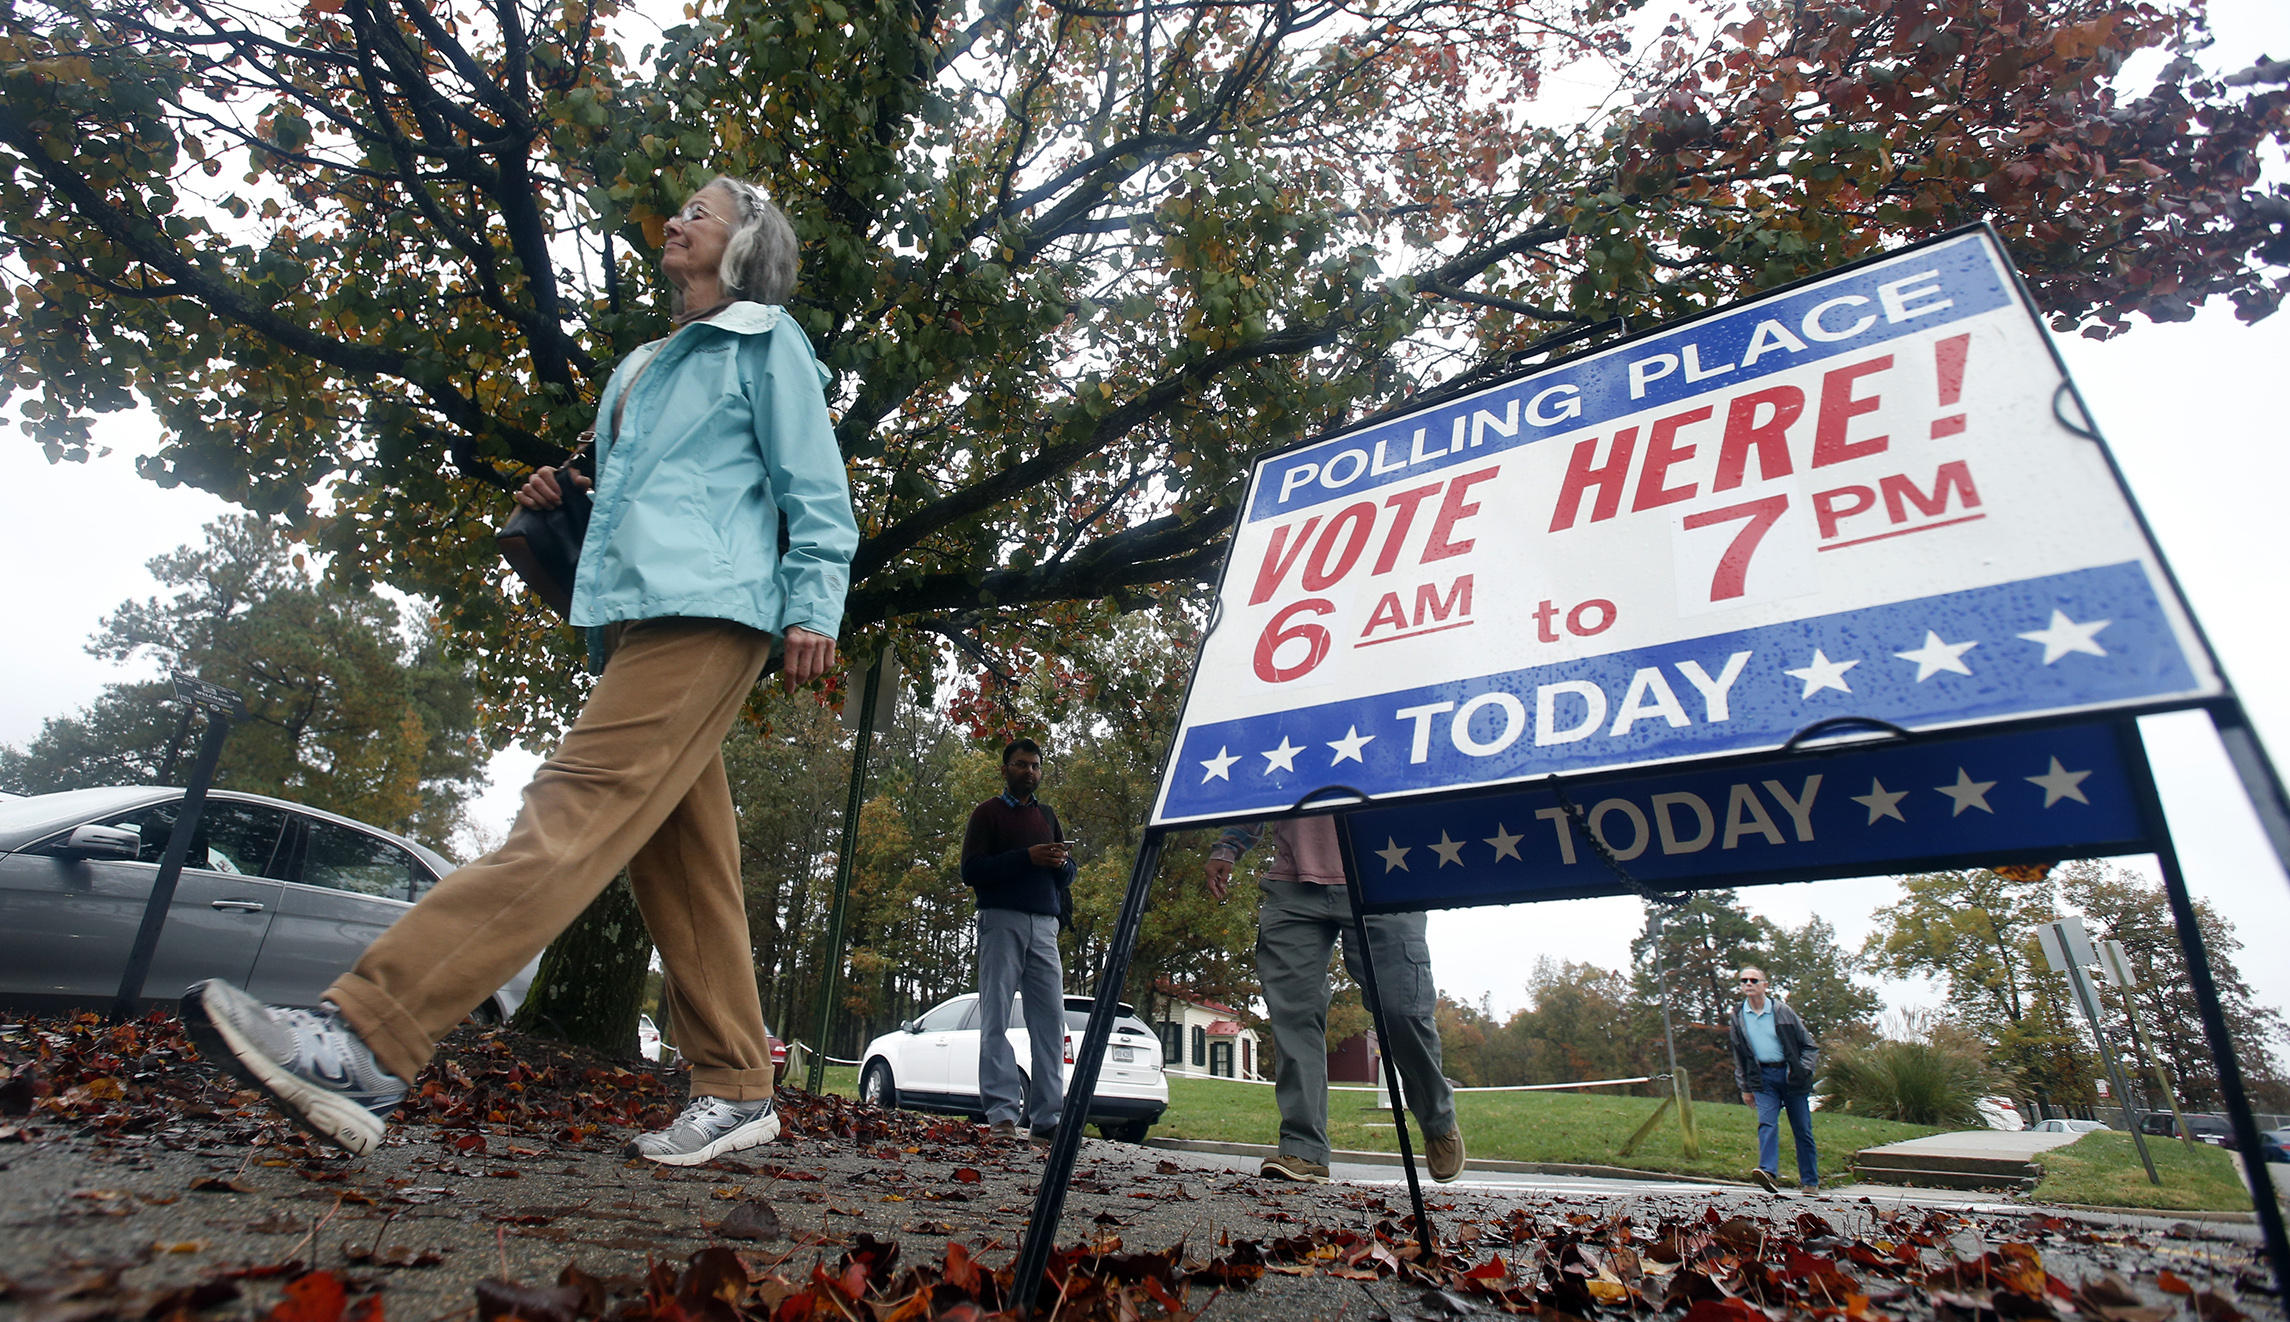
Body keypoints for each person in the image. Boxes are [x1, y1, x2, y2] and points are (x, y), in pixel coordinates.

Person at [182, 175, 860, 1168]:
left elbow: (814, 486)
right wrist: (569, 490)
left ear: (745, 245)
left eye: (700, 213)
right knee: (681, 859)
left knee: (570, 809)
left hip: (711, 614)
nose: (675, 220)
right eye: (675, 210)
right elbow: (646, 496)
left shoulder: (767, 343)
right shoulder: (639, 366)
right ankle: (734, 1083)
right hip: (636, 618)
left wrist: (814, 602)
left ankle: (367, 1036)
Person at [1204, 818, 1465, 1184]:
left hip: (1387, 870)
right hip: (1293, 884)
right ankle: (1303, 1147)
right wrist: (1228, 846)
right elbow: (1260, 780)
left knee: (1400, 1009)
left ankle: (1438, 1118)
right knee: (1293, 1014)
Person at [958, 739, 1076, 1145]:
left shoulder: (1047, 815)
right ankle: (1003, 1116)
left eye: (1036, 766)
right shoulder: (987, 814)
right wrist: (1028, 857)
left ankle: (1046, 1119)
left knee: (1049, 1024)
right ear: (1005, 768)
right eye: (1021, 764)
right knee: (996, 1019)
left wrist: (1061, 863)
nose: (1030, 771)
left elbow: (1067, 874)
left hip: (1045, 926)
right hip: (1001, 922)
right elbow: (971, 870)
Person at [1730, 964, 1820, 1194]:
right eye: (1744, 981)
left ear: (1765, 985)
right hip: (1763, 1079)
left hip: (1791, 1077)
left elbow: (1810, 1046)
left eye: (1753, 980)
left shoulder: (1782, 1011)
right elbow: (1739, 1053)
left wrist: (1803, 1070)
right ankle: (1768, 1173)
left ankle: (1810, 1181)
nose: (1748, 984)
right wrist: (1745, 1087)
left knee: (1802, 1129)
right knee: (1767, 1123)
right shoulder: (1739, 1016)